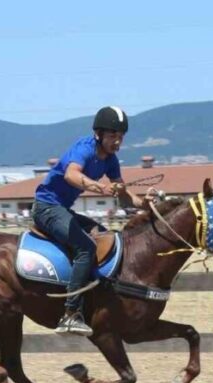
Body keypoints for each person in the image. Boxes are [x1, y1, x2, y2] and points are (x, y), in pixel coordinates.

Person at [31, 106, 140, 336]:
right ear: (98, 134)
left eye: (121, 137)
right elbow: (72, 175)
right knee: (86, 248)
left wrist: (145, 203)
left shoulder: (111, 160)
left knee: (105, 238)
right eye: (113, 136)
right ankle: (71, 314)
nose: (117, 142)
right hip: (46, 208)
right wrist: (99, 187)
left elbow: (123, 194)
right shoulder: (84, 148)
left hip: (62, 209)